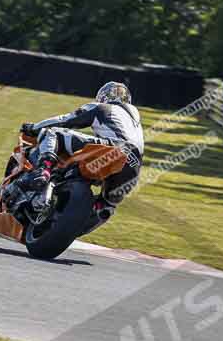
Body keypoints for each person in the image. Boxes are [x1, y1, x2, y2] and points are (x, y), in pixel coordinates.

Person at [19, 81, 144, 233]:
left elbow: (65, 120)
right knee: (107, 205)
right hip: (134, 168)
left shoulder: (100, 107)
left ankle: (44, 170)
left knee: (52, 133)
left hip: (114, 148)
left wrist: (34, 127)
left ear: (103, 96)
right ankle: (92, 217)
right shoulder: (135, 119)